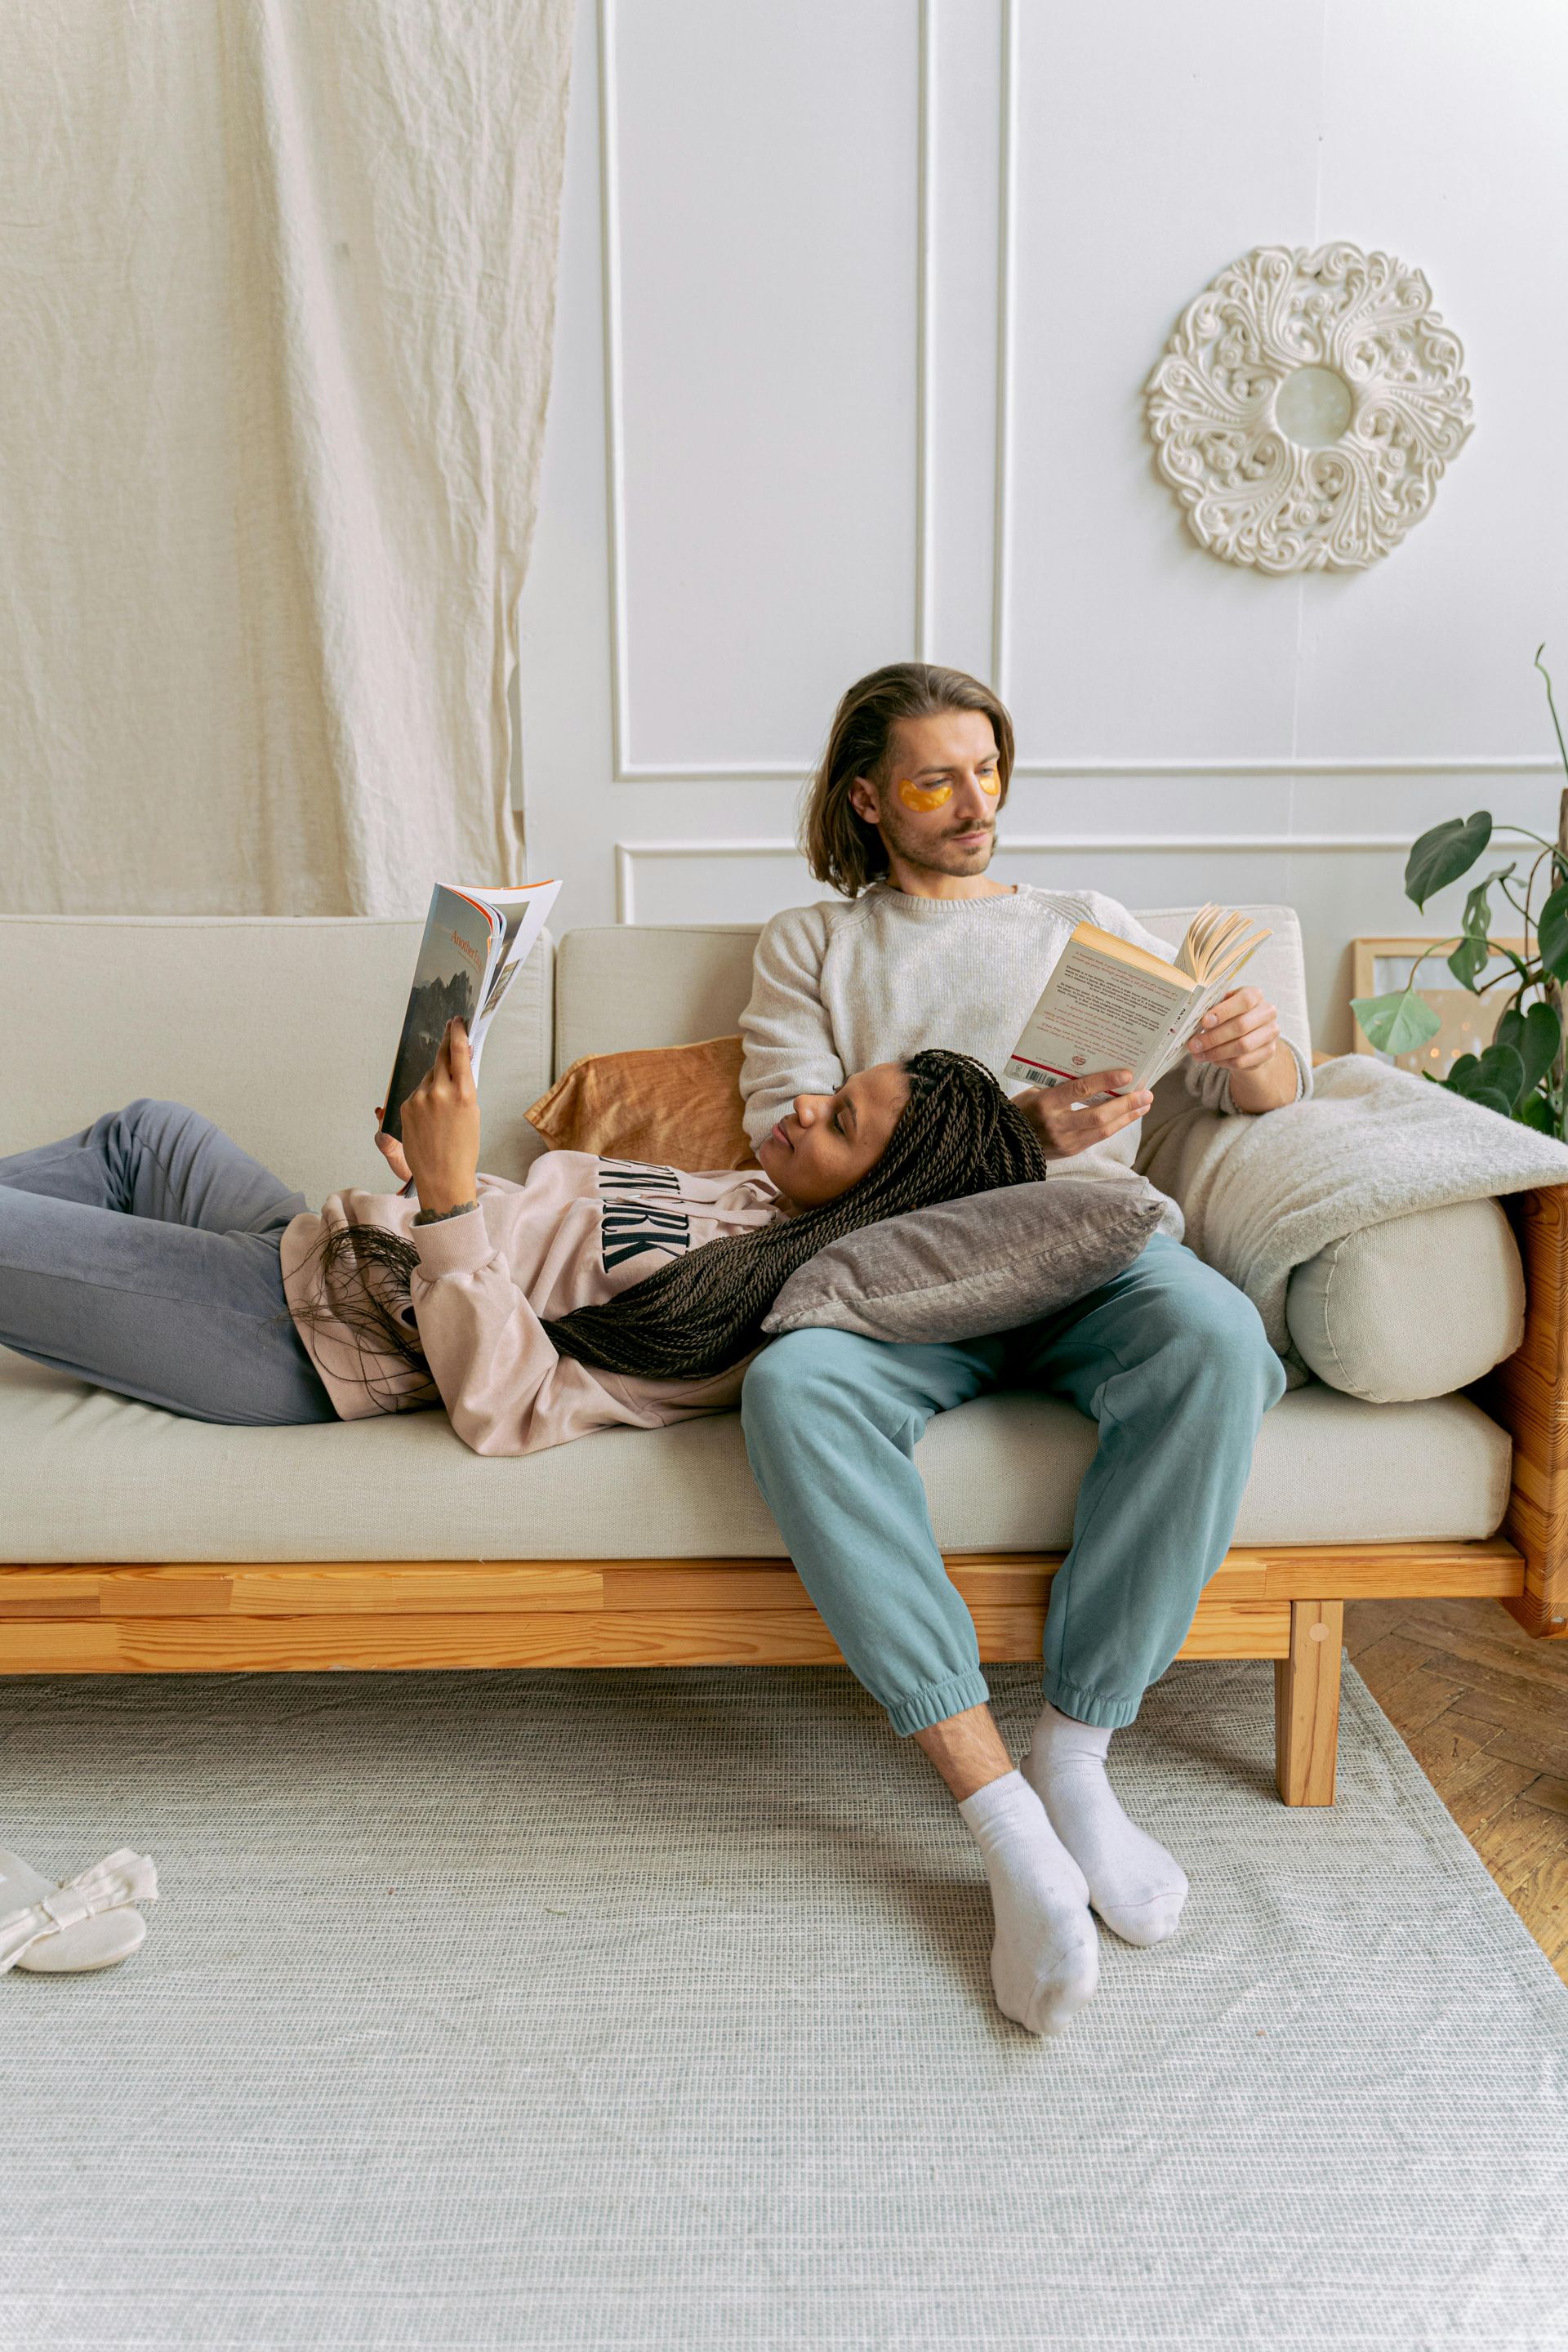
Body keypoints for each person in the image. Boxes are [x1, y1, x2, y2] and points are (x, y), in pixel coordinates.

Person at [737, 661, 1307, 2038]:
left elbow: (1263, 1096)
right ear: (867, 799)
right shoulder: (814, 944)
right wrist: (1010, 1135)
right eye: (935, 779)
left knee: (1220, 1342)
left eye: (986, 769)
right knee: (792, 1387)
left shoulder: (1087, 924)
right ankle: (1000, 1819)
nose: (973, 802)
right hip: (904, 1274)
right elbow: (791, 1158)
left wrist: (1254, 1049)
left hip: (1094, 1252)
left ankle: (1077, 1758)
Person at [0, 1027, 1046, 1456]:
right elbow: (531, 1235)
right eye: (836, 1090)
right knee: (148, 1134)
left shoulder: (737, 1310)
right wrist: (426, 1175)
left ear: (883, 1198)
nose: (808, 1105)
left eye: (842, 1123)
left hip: (306, 1332)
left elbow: (514, 1406)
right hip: (335, 1240)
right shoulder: (756, 1194)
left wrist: (449, 1197)